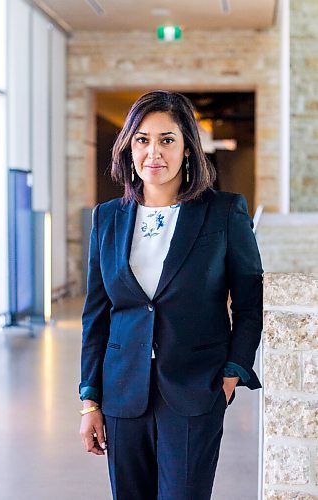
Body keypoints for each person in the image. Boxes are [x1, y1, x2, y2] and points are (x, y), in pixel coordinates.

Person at [79, 90, 263, 500]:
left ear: (187, 149)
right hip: (123, 393)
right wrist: (90, 401)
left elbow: (250, 303)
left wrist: (232, 373)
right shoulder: (107, 218)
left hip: (196, 389)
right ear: (128, 148)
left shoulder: (224, 212)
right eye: (142, 139)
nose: (153, 153)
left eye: (167, 139)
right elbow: (96, 315)